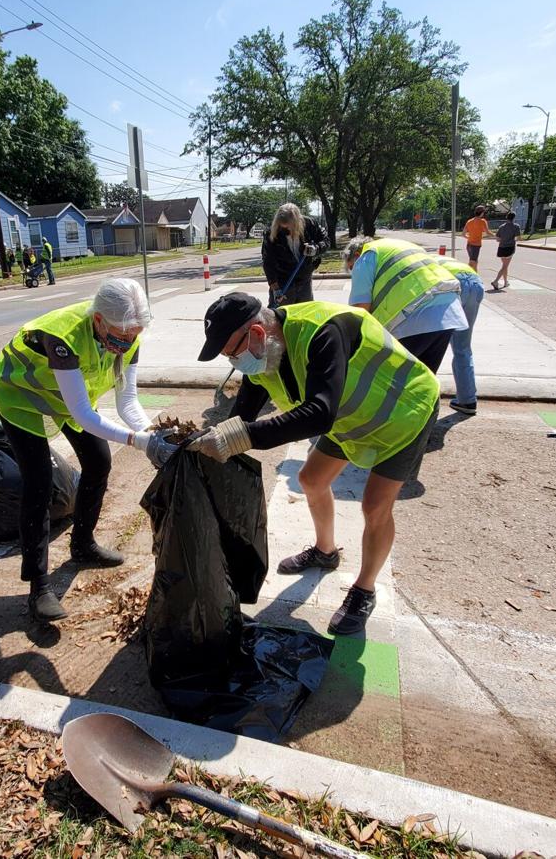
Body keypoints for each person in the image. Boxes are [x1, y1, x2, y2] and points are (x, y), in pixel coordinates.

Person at [189, 293, 440, 635]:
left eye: (234, 353)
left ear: (258, 333)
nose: (236, 362)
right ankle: (326, 552)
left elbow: (320, 413)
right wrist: (200, 447)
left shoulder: (324, 330)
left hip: (402, 411)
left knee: (375, 506)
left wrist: (241, 438)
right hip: (350, 416)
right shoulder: (262, 356)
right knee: (311, 479)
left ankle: (364, 589)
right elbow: (242, 416)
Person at [0, 278, 179, 622]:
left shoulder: (128, 335)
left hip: (65, 400)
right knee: (40, 484)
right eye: (120, 336)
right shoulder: (62, 338)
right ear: (97, 320)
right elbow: (82, 413)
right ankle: (39, 587)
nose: (126, 344)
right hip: (23, 399)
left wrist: (154, 434)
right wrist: (139, 442)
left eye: (133, 335)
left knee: (98, 462)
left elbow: (128, 402)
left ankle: (82, 544)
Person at [343, 236, 465, 374]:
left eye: (352, 269)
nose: (354, 273)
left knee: (391, 379)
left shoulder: (366, 257)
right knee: (424, 380)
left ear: (356, 256)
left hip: (415, 316)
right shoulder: (400, 245)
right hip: (447, 311)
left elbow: (360, 311)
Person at [436, 257, 485, 415]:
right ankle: (467, 400)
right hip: (476, 282)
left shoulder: (419, 265)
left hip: (452, 284)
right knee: (462, 347)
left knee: (432, 343)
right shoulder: (440, 259)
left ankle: (424, 397)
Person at [260, 202, 328, 307]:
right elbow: (268, 261)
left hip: (304, 277)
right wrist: (275, 288)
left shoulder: (310, 224)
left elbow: (326, 241)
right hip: (283, 280)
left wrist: (316, 249)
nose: (287, 230)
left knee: (305, 311)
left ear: (298, 221)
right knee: (280, 315)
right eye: (283, 228)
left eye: (289, 227)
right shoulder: (271, 232)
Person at [492, 212, 521, 291]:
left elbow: (497, 239)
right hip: (509, 248)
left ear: (506, 217)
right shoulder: (516, 226)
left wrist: (503, 239)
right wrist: (512, 239)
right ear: (514, 218)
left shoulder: (501, 227)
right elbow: (518, 238)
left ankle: (505, 282)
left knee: (504, 266)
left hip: (501, 248)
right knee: (505, 266)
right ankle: (495, 281)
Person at [462, 205, 491, 270]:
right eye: (484, 212)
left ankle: (475, 276)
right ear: (482, 212)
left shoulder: (469, 221)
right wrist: (496, 236)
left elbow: (463, 234)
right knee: (472, 262)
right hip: (476, 246)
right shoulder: (482, 221)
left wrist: (469, 238)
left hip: (469, 245)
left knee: (475, 261)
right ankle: (464, 275)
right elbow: (488, 232)